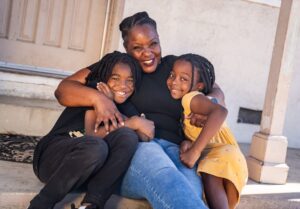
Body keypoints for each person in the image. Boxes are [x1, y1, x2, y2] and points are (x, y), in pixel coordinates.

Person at [55, 12, 225, 209]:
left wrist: (208, 104)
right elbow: (63, 90)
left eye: (153, 44)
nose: (148, 53)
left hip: (178, 150)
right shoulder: (118, 69)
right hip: (138, 147)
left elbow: (214, 88)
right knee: (168, 181)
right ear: (127, 48)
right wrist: (99, 99)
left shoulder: (175, 67)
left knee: (189, 190)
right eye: (137, 48)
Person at [28, 51, 154, 209]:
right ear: (104, 78)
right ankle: (40, 204)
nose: (123, 86)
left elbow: (145, 134)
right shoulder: (96, 90)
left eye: (130, 80)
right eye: (115, 78)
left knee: (128, 137)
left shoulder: (127, 106)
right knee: (97, 146)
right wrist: (132, 122)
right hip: (52, 160)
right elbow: (92, 134)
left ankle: (91, 204)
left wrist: (135, 123)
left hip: (84, 173)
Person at [167, 53, 248, 209]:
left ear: (199, 86)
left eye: (183, 79)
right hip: (227, 156)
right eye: (172, 75)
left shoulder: (190, 98)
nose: (174, 82)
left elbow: (220, 112)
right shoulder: (190, 102)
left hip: (223, 154)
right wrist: (188, 142)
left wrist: (194, 151)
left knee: (210, 175)